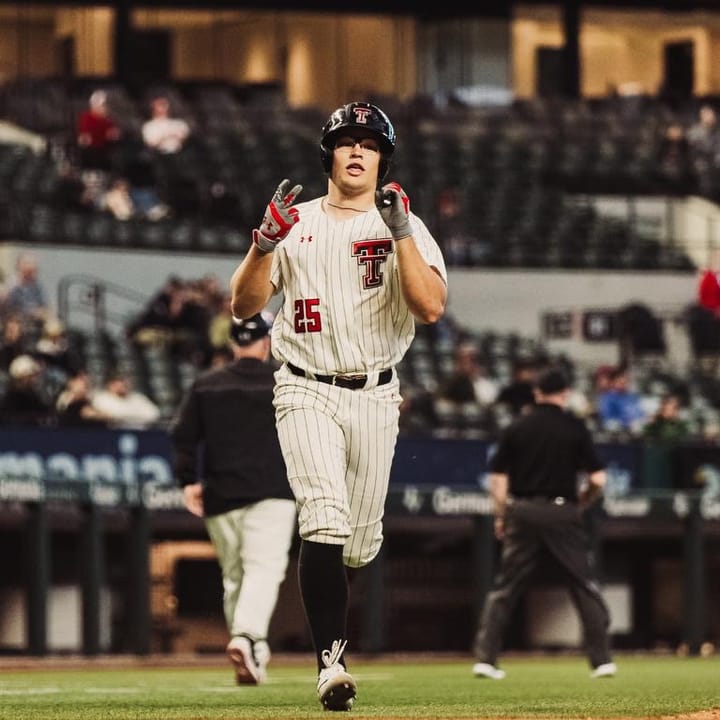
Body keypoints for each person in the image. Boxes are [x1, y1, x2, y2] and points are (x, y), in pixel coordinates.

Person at [229, 101, 447, 711]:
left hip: (377, 394)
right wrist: (263, 244)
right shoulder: (293, 222)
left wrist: (401, 232)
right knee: (322, 518)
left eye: (369, 143)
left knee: (357, 544)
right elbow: (243, 307)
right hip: (304, 384)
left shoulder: (407, 226)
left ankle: (331, 628)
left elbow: (430, 308)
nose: (357, 150)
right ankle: (331, 662)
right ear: (329, 153)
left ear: (382, 158)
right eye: (347, 140)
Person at [170, 313, 296, 684]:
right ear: (267, 341)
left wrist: (187, 481)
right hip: (272, 491)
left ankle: (253, 650)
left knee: (235, 577)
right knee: (264, 570)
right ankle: (247, 637)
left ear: (232, 343)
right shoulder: (284, 381)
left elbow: (182, 437)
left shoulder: (207, 384)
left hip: (221, 495)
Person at [472, 367, 616, 680]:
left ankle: (485, 659)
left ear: (537, 393)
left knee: (506, 588)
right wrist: (583, 500)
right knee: (583, 585)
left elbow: (497, 479)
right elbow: (598, 479)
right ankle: (602, 661)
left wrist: (502, 515)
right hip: (562, 510)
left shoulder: (517, 426)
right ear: (564, 394)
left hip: (522, 511)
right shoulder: (575, 427)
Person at [91, 372, 161, 429]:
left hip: (141, 434)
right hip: (112, 436)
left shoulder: (138, 398)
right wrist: (137, 416)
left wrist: (124, 417)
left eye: (124, 381)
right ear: (109, 384)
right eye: (118, 381)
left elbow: (154, 414)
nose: (122, 384)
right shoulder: (101, 398)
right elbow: (115, 415)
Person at [76, 89, 122, 173]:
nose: (105, 108)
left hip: (106, 154)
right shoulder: (86, 118)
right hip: (91, 156)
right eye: (103, 105)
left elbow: (114, 135)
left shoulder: (109, 120)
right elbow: (85, 139)